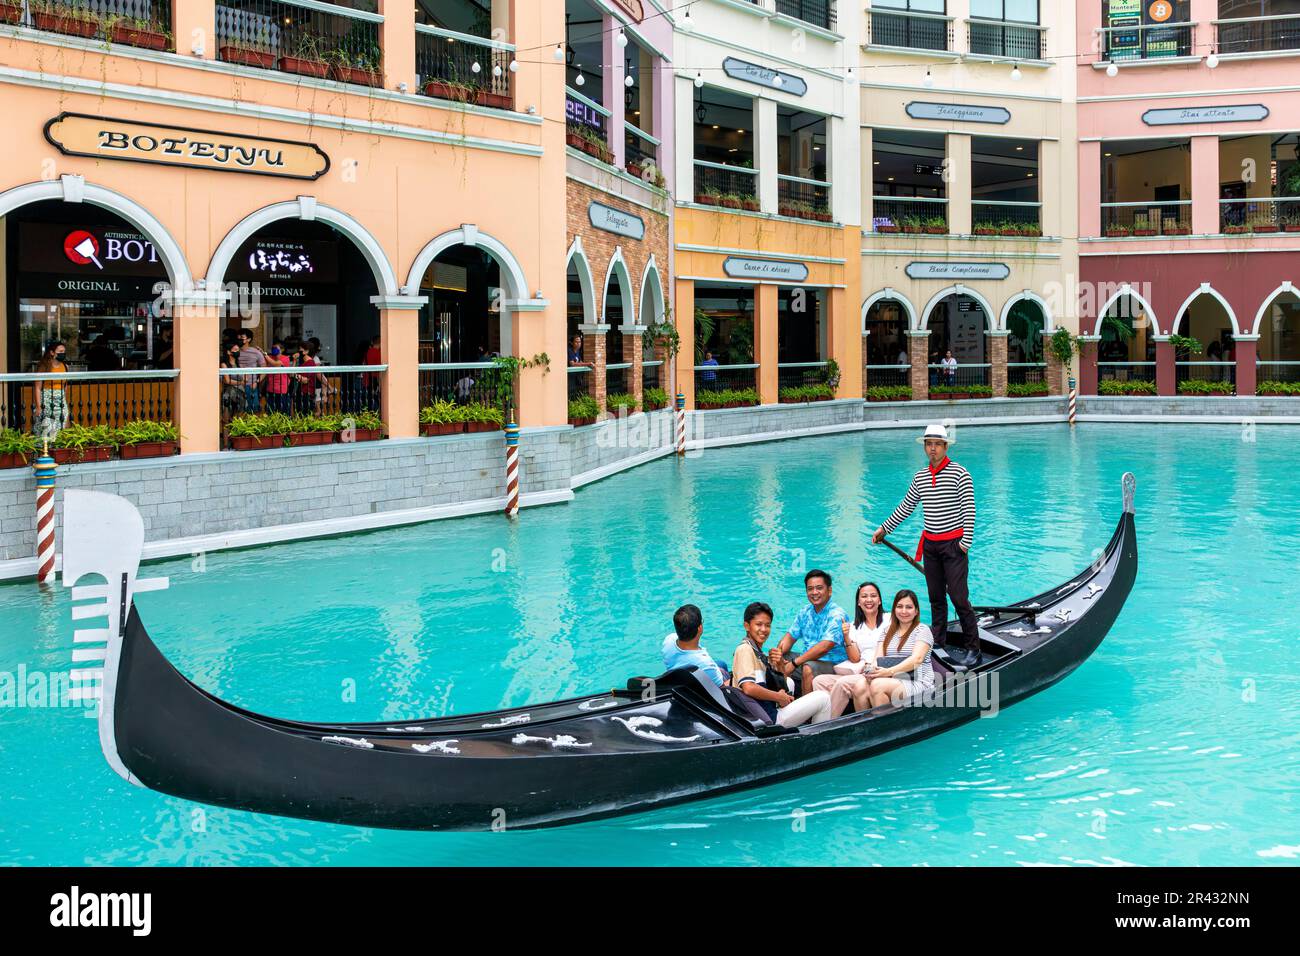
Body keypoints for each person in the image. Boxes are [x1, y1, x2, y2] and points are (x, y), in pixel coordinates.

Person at [872, 423, 979, 668]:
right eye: (928, 444)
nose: (932, 449)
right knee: (936, 598)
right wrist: (884, 528)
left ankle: (973, 648)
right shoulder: (920, 476)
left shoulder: (960, 473)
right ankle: (938, 643)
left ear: (944, 446)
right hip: (931, 545)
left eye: (936, 444)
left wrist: (964, 544)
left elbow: (969, 510)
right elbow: (907, 506)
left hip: (954, 545)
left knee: (959, 597)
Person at [732, 602, 832, 727]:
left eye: (767, 625)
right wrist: (779, 697)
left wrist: (779, 666)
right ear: (747, 626)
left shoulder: (757, 652)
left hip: (766, 711)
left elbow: (780, 685)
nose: (763, 629)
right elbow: (748, 688)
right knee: (824, 698)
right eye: (758, 624)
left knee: (789, 682)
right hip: (767, 719)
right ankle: (818, 738)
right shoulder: (744, 649)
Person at [845, 589, 935, 711]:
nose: (904, 611)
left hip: (918, 681)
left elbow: (917, 659)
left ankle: (884, 727)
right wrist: (870, 671)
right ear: (894, 610)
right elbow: (877, 659)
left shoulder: (922, 630)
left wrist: (888, 672)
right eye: (899, 606)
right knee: (859, 686)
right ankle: (866, 728)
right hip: (894, 678)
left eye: (909, 607)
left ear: (916, 611)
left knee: (878, 685)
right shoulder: (887, 631)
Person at [812, 581, 892, 716]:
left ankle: (827, 724)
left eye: (873, 596)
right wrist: (846, 636)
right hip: (862, 671)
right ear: (858, 602)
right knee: (819, 681)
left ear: (879, 601)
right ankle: (821, 717)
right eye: (864, 596)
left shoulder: (889, 619)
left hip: (880, 671)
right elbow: (855, 658)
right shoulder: (854, 626)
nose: (869, 600)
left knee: (842, 683)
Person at [772, 569, 850, 697]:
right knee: (777, 659)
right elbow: (790, 637)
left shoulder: (836, 614)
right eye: (810, 589)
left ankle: (807, 713)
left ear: (829, 591)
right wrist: (778, 653)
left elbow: (824, 647)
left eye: (819, 588)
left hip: (832, 664)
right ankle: (781, 700)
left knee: (808, 667)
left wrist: (795, 663)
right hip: (807, 658)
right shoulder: (805, 611)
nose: (814, 592)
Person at [661, 604, 727, 688]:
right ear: (700, 628)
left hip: (680, 681)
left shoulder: (668, 641)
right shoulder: (705, 664)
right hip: (701, 689)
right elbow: (722, 689)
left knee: (721, 663)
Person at [34, 341, 69, 441]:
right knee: (46, 426)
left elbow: (65, 386)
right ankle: (44, 449)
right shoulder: (44, 366)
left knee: (61, 425)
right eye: (60, 351)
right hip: (47, 398)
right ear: (52, 352)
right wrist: (38, 406)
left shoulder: (65, 367)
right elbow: (37, 387)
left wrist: (65, 401)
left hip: (60, 400)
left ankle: (56, 448)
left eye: (64, 351)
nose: (63, 353)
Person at [235, 330, 267, 413]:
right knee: (239, 412)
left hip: (252, 386)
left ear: (248, 339)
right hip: (237, 385)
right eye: (238, 337)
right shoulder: (235, 351)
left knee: (253, 411)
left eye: (242, 337)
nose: (239, 339)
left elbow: (264, 368)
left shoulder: (256, 352)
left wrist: (257, 381)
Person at [264, 340, 292, 414]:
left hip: (281, 389)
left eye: (276, 348)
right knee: (271, 411)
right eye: (273, 348)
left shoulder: (285, 358)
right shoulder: (269, 357)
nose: (273, 349)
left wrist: (264, 355)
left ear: (282, 350)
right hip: (270, 388)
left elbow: (275, 364)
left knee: (283, 411)